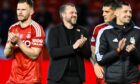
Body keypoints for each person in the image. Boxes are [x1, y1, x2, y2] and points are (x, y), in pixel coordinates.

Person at [95, 1, 140, 84]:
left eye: (130, 11)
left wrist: (134, 52)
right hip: (111, 81)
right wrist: (117, 51)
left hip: (132, 81)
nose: (129, 14)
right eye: (125, 11)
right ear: (116, 13)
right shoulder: (104, 32)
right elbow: (100, 59)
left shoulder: (138, 31)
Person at [47, 3, 91, 84]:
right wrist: (73, 47)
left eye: (75, 13)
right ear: (63, 14)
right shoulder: (54, 31)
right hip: (58, 78)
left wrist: (81, 47)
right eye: (72, 13)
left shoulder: (82, 31)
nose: (75, 15)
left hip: (77, 78)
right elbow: (53, 53)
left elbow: (88, 54)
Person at [4, 0, 45, 83]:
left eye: (23, 10)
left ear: (31, 11)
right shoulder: (13, 28)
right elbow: (7, 54)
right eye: (18, 9)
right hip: (14, 79)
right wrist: (10, 45)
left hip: (31, 79)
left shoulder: (37, 29)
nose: (20, 12)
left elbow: (34, 55)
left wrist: (19, 42)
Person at [90, 0, 117, 84]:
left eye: (107, 11)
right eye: (103, 11)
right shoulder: (98, 29)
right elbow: (92, 50)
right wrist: (95, 64)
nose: (103, 14)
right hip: (104, 75)